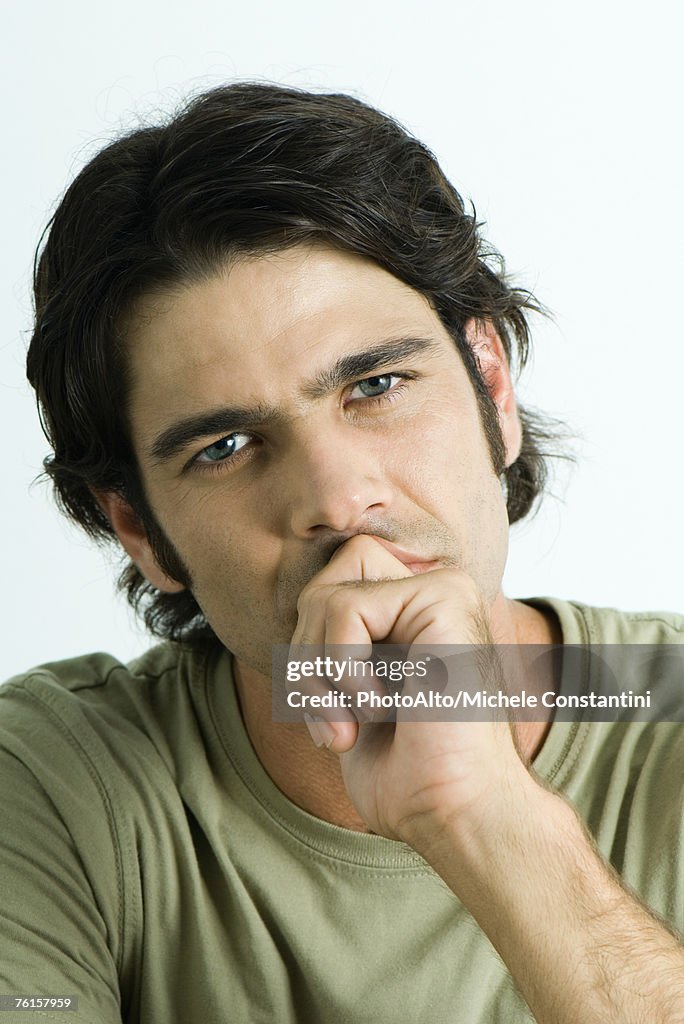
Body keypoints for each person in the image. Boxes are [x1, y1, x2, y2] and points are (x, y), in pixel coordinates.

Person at [1, 82, 683, 1024]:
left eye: (378, 384)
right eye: (225, 447)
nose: (336, 498)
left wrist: (484, 818)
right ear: (140, 531)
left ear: (492, 386)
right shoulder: (44, 782)